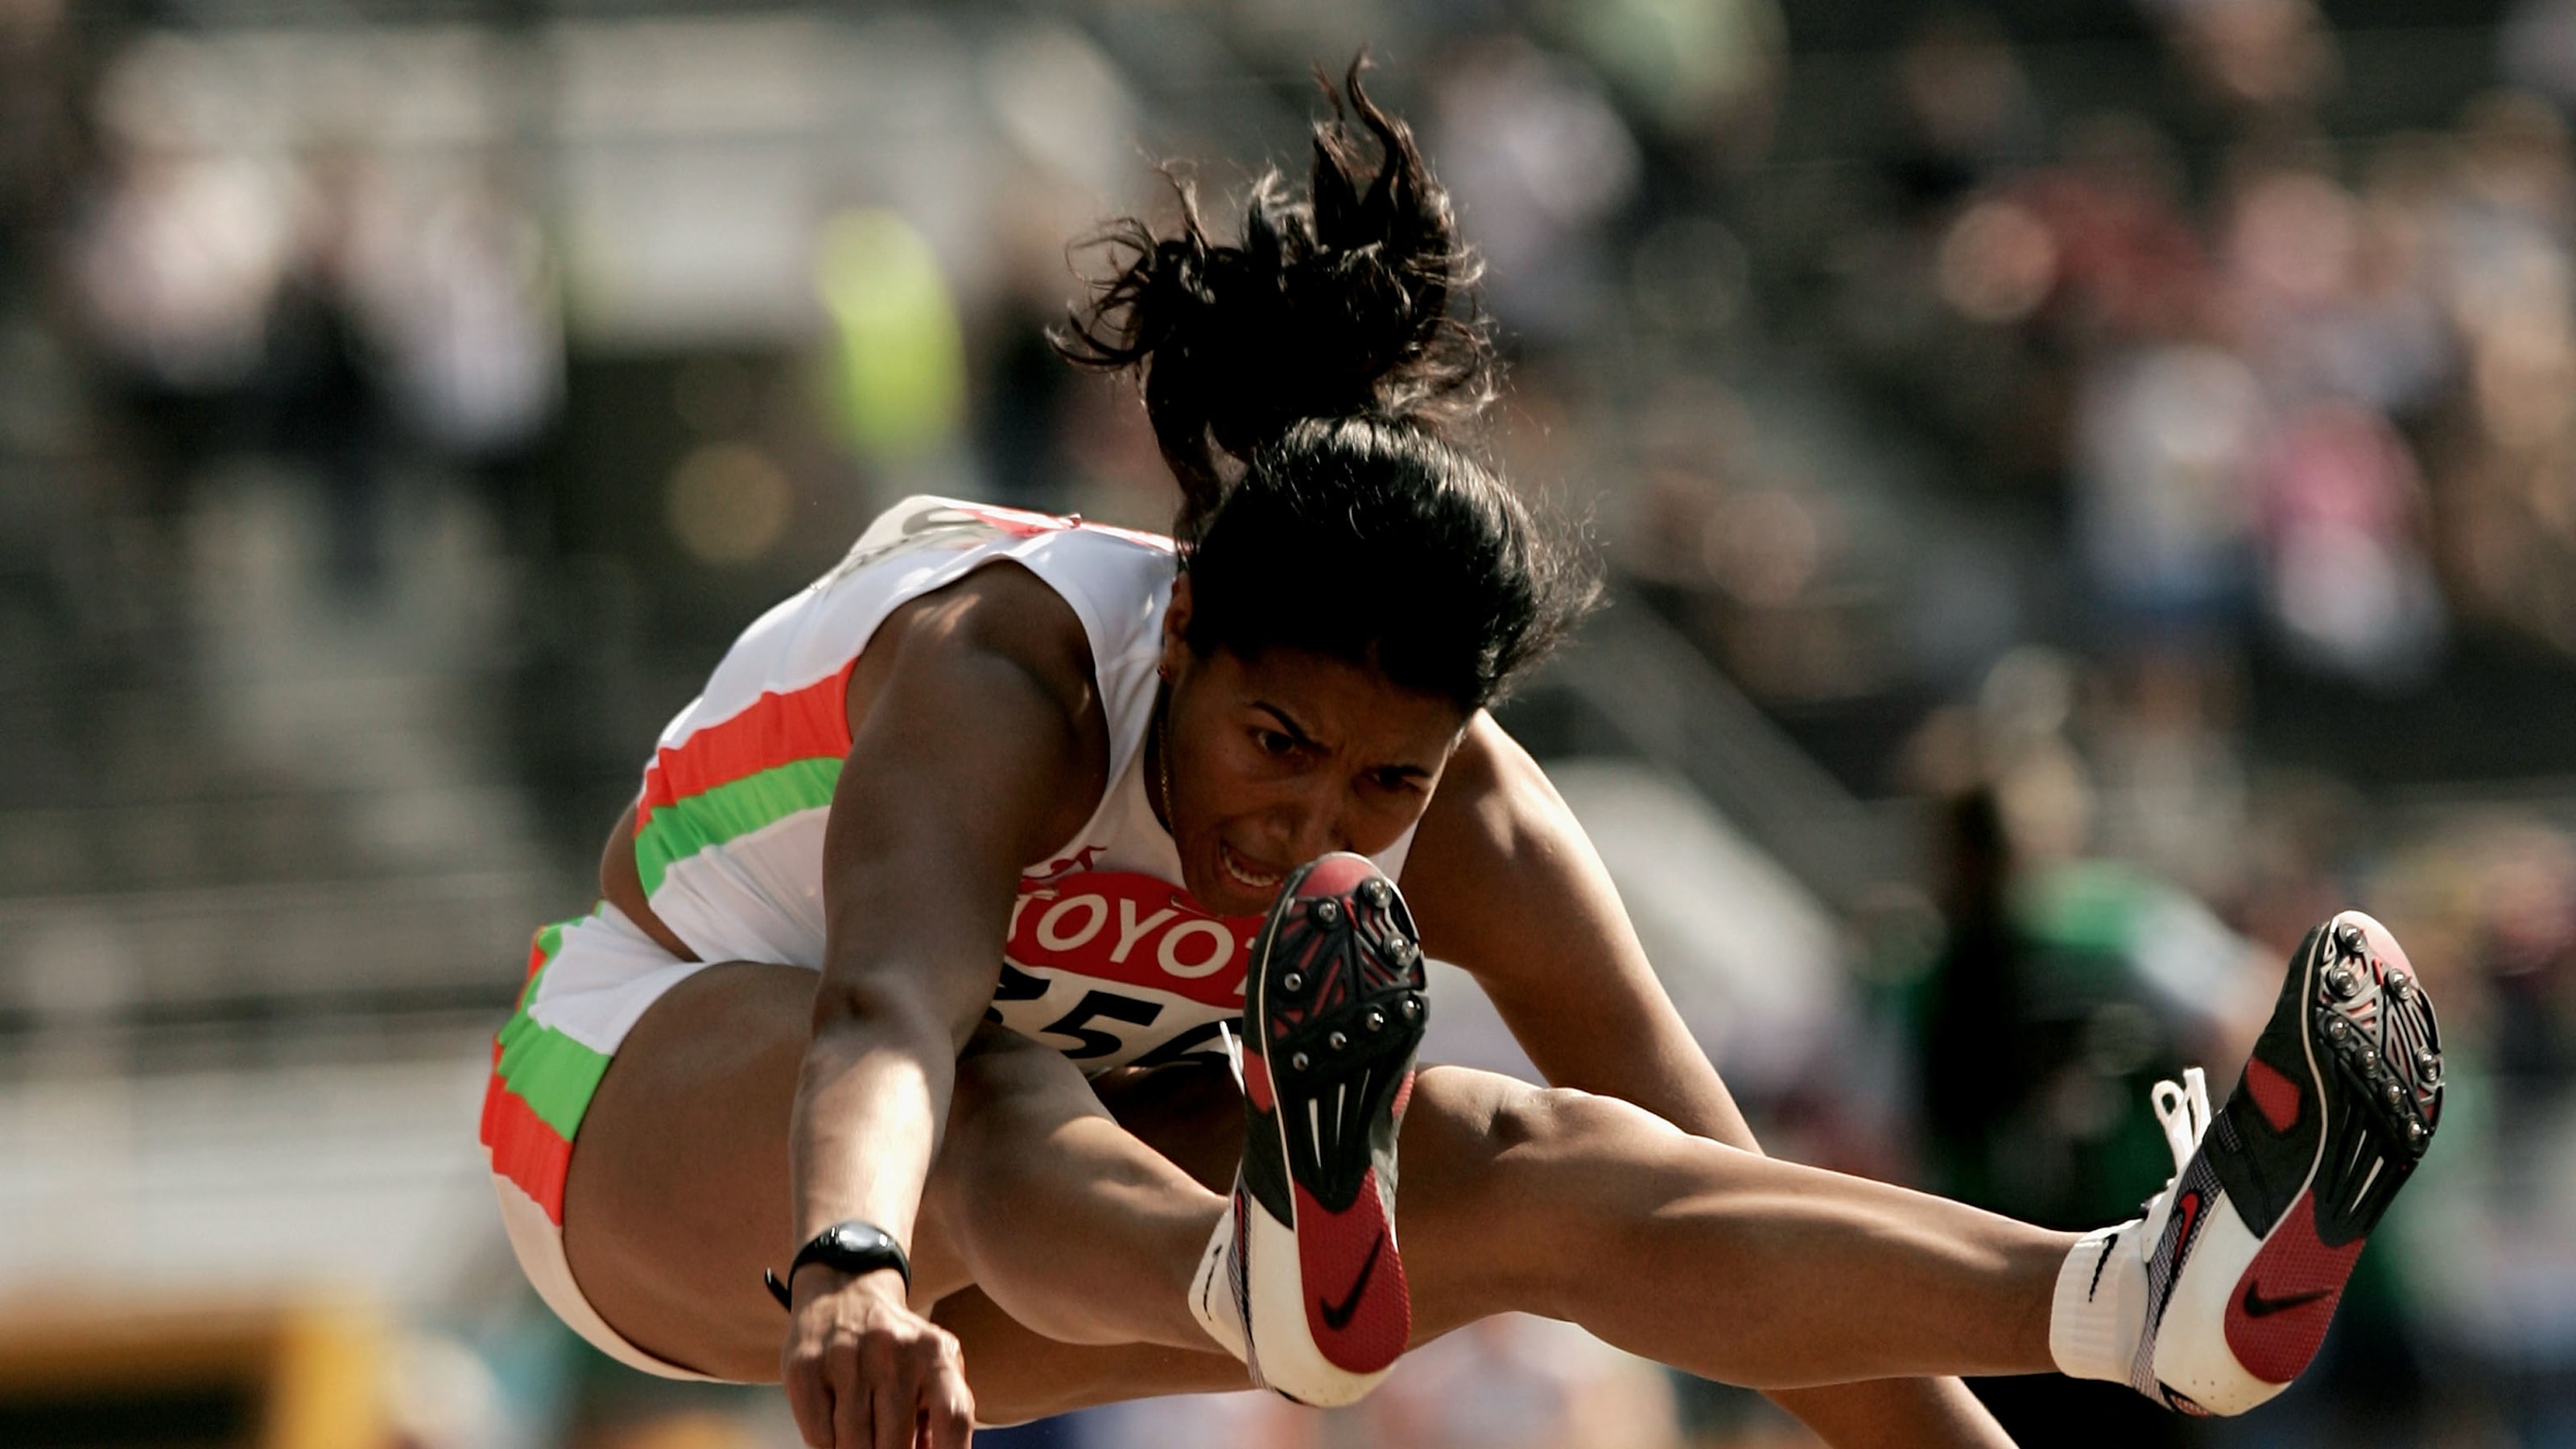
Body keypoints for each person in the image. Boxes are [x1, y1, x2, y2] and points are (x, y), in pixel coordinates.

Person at [477, 70, 2444, 1449]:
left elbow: (1707, 1212)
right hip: (663, 1138)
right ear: (1185, 629)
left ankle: (2130, 1293)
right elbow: (889, 1022)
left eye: (1382, 787)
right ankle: (1253, 1280)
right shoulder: (1010, 667)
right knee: (999, 1090)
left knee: (1533, 1175)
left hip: (1063, 1277)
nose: (1306, 826)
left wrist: (2072, 1368)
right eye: (1273, 743)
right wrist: (845, 1258)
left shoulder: (1479, 812)